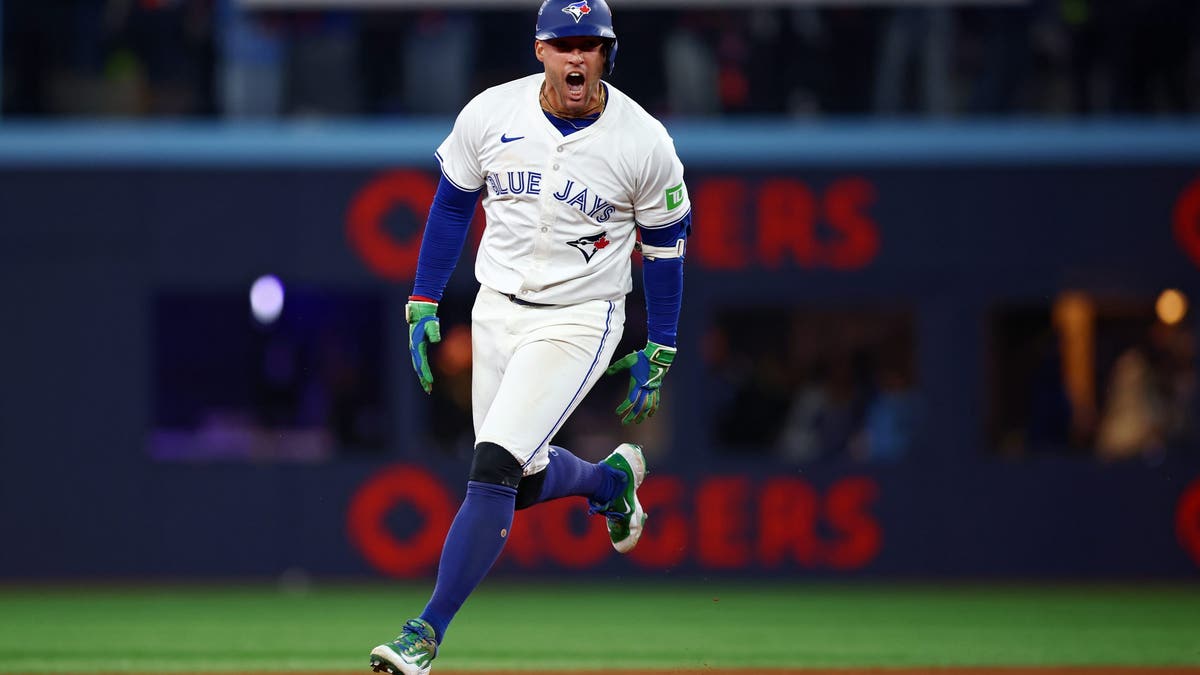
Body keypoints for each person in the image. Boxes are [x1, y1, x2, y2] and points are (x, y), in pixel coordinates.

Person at [369, 2, 692, 674]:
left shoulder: (644, 140)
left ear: (608, 54)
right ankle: (608, 483)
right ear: (540, 50)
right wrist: (425, 294)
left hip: (579, 317)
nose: (577, 58)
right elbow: (455, 197)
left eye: (590, 45)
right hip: (497, 308)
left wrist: (661, 343)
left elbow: (665, 246)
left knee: (491, 466)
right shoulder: (492, 112)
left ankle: (424, 633)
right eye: (563, 44)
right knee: (518, 476)